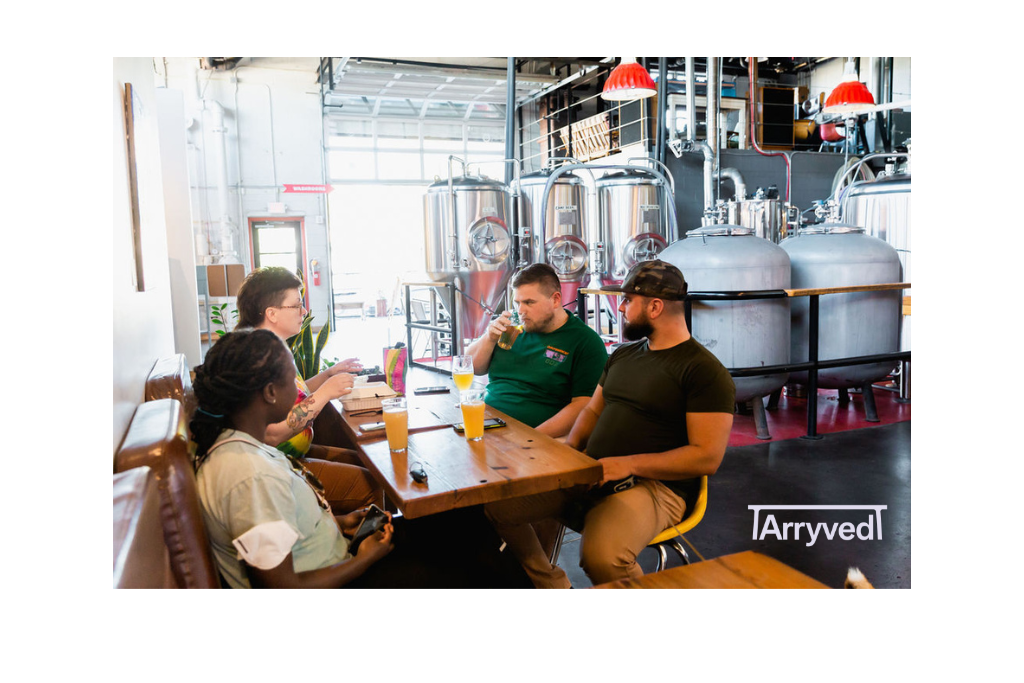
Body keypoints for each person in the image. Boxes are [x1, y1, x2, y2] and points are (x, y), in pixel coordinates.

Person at [191, 328, 530, 589]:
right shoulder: (247, 474)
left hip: (339, 553)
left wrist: (342, 522)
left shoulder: (243, 448)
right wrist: (365, 559)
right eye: (290, 378)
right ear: (269, 393)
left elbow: (280, 528)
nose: (299, 388)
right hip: (343, 576)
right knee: (471, 563)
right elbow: (282, 586)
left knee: (463, 518)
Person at [485, 260, 736, 588]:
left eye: (628, 300)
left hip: (654, 486)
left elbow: (706, 457)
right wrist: (570, 449)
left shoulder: (703, 370)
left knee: (602, 557)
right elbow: (590, 411)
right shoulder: (623, 355)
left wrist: (624, 465)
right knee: (498, 503)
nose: (620, 307)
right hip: (593, 469)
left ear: (655, 307)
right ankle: (551, 583)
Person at [234, 266, 381, 513]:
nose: (303, 311)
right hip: (275, 466)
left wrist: (328, 375)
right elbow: (272, 434)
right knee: (371, 484)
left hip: (289, 456)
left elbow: (295, 393)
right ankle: (361, 548)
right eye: (296, 305)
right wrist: (325, 393)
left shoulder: (269, 346)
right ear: (272, 313)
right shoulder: (255, 358)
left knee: (372, 464)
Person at [466, 263, 607, 438]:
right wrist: (489, 337)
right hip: (486, 423)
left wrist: (533, 438)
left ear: (556, 299)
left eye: (529, 302)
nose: (521, 311)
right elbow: (471, 368)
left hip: (533, 437)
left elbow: (584, 405)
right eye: (517, 303)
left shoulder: (585, 342)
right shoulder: (510, 329)